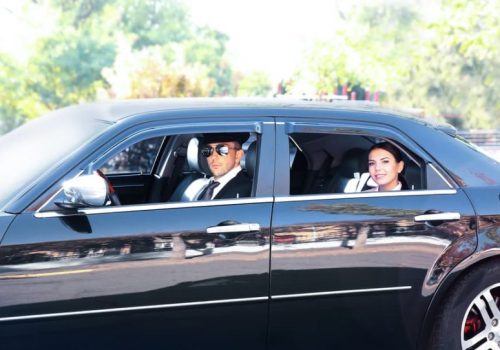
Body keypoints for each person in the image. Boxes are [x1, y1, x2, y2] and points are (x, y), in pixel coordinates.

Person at [197, 132, 252, 200]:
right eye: (207, 150)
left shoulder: (247, 192)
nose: (213, 157)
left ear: (238, 155)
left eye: (222, 150)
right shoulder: (202, 186)